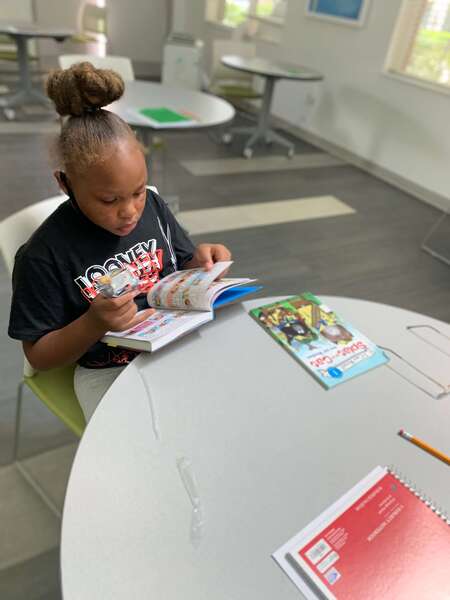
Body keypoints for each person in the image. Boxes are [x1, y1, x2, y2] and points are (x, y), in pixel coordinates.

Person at [8, 62, 231, 422]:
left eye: (138, 191)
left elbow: (183, 263)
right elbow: (39, 356)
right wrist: (94, 323)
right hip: (108, 370)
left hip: (174, 342)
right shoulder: (42, 256)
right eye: (109, 200)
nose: (130, 212)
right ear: (65, 184)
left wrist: (204, 262)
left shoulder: (153, 207)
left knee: (223, 408)